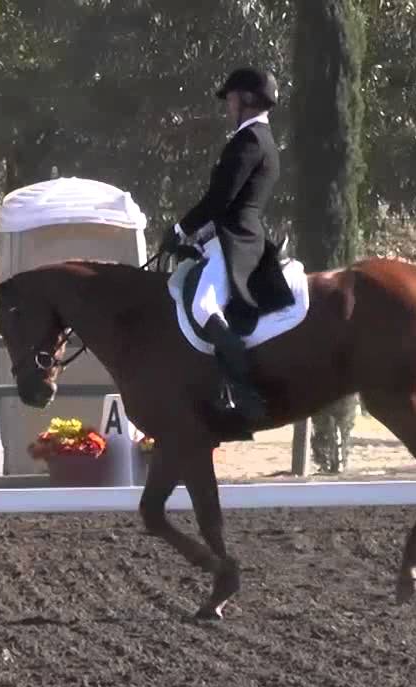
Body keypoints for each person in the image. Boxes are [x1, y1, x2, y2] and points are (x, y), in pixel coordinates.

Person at [159, 66, 296, 426]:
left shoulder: (249, 141)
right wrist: (194, 238)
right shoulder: (258, 138)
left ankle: (245, 394)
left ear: (247, 99)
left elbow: (220, 198)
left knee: (203, 306)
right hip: (228, 235)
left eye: (231, 98)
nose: (228, 105)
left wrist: (180, 229)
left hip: (237, 239)